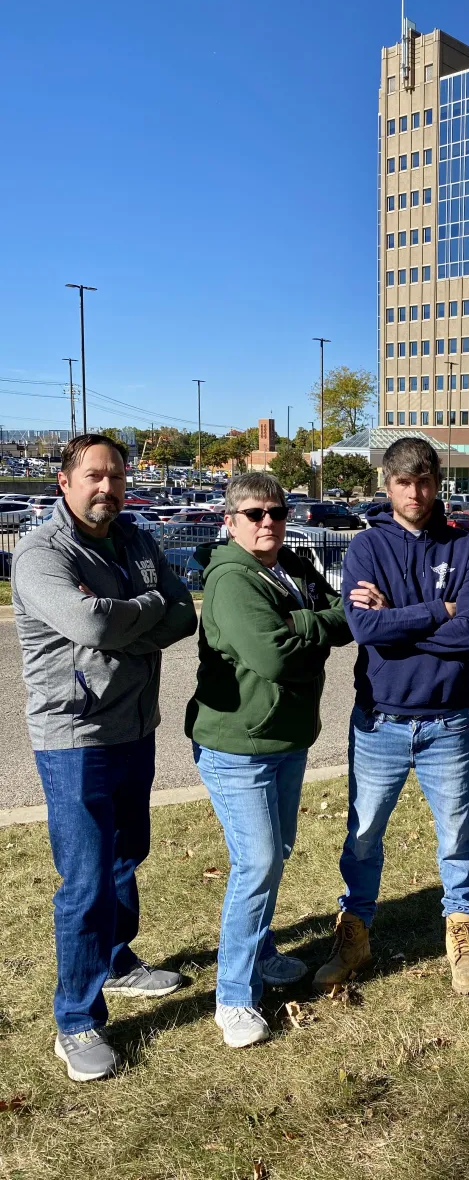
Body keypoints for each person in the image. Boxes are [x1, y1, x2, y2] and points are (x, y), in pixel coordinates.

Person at [11, 434, 197, 1083]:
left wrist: (131, 615)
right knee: (86, 878)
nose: (107, 488)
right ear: (64, 482)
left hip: (134, 725)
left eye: (116, 477)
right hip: (74, 736)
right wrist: (145, 610)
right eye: (94, 476)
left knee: (126, 855)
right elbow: (89, 625)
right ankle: (75, 1018)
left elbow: (185, 618)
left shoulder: (138, 540)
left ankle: (116, 961)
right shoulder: (41, 552)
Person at [314, 438, 469, 997]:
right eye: (403, 482)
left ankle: (461, 931)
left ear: (437, 482)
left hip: (446, 722)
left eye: (424, 481)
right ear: (386, 485)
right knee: (363, 835)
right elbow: (366, 630)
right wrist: (440, 610)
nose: (415, 492)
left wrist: (401, 618)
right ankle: (354, 933)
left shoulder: (466, 549)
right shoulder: (367, 546)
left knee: (457, 833)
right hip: (380, 721)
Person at [186, 473, 351, 1048]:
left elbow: (343, 616)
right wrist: (309, 631)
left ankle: (260, 954)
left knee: (274, 853)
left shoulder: (293, 565)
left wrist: (303, 623)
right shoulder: (232, 580)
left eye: (276, 512)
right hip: (237, 746)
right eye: (254, 513)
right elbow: (273, 659)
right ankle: (233, 996)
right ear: (229, 521)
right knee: (255, 863)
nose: (267, 522)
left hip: (286, 740)